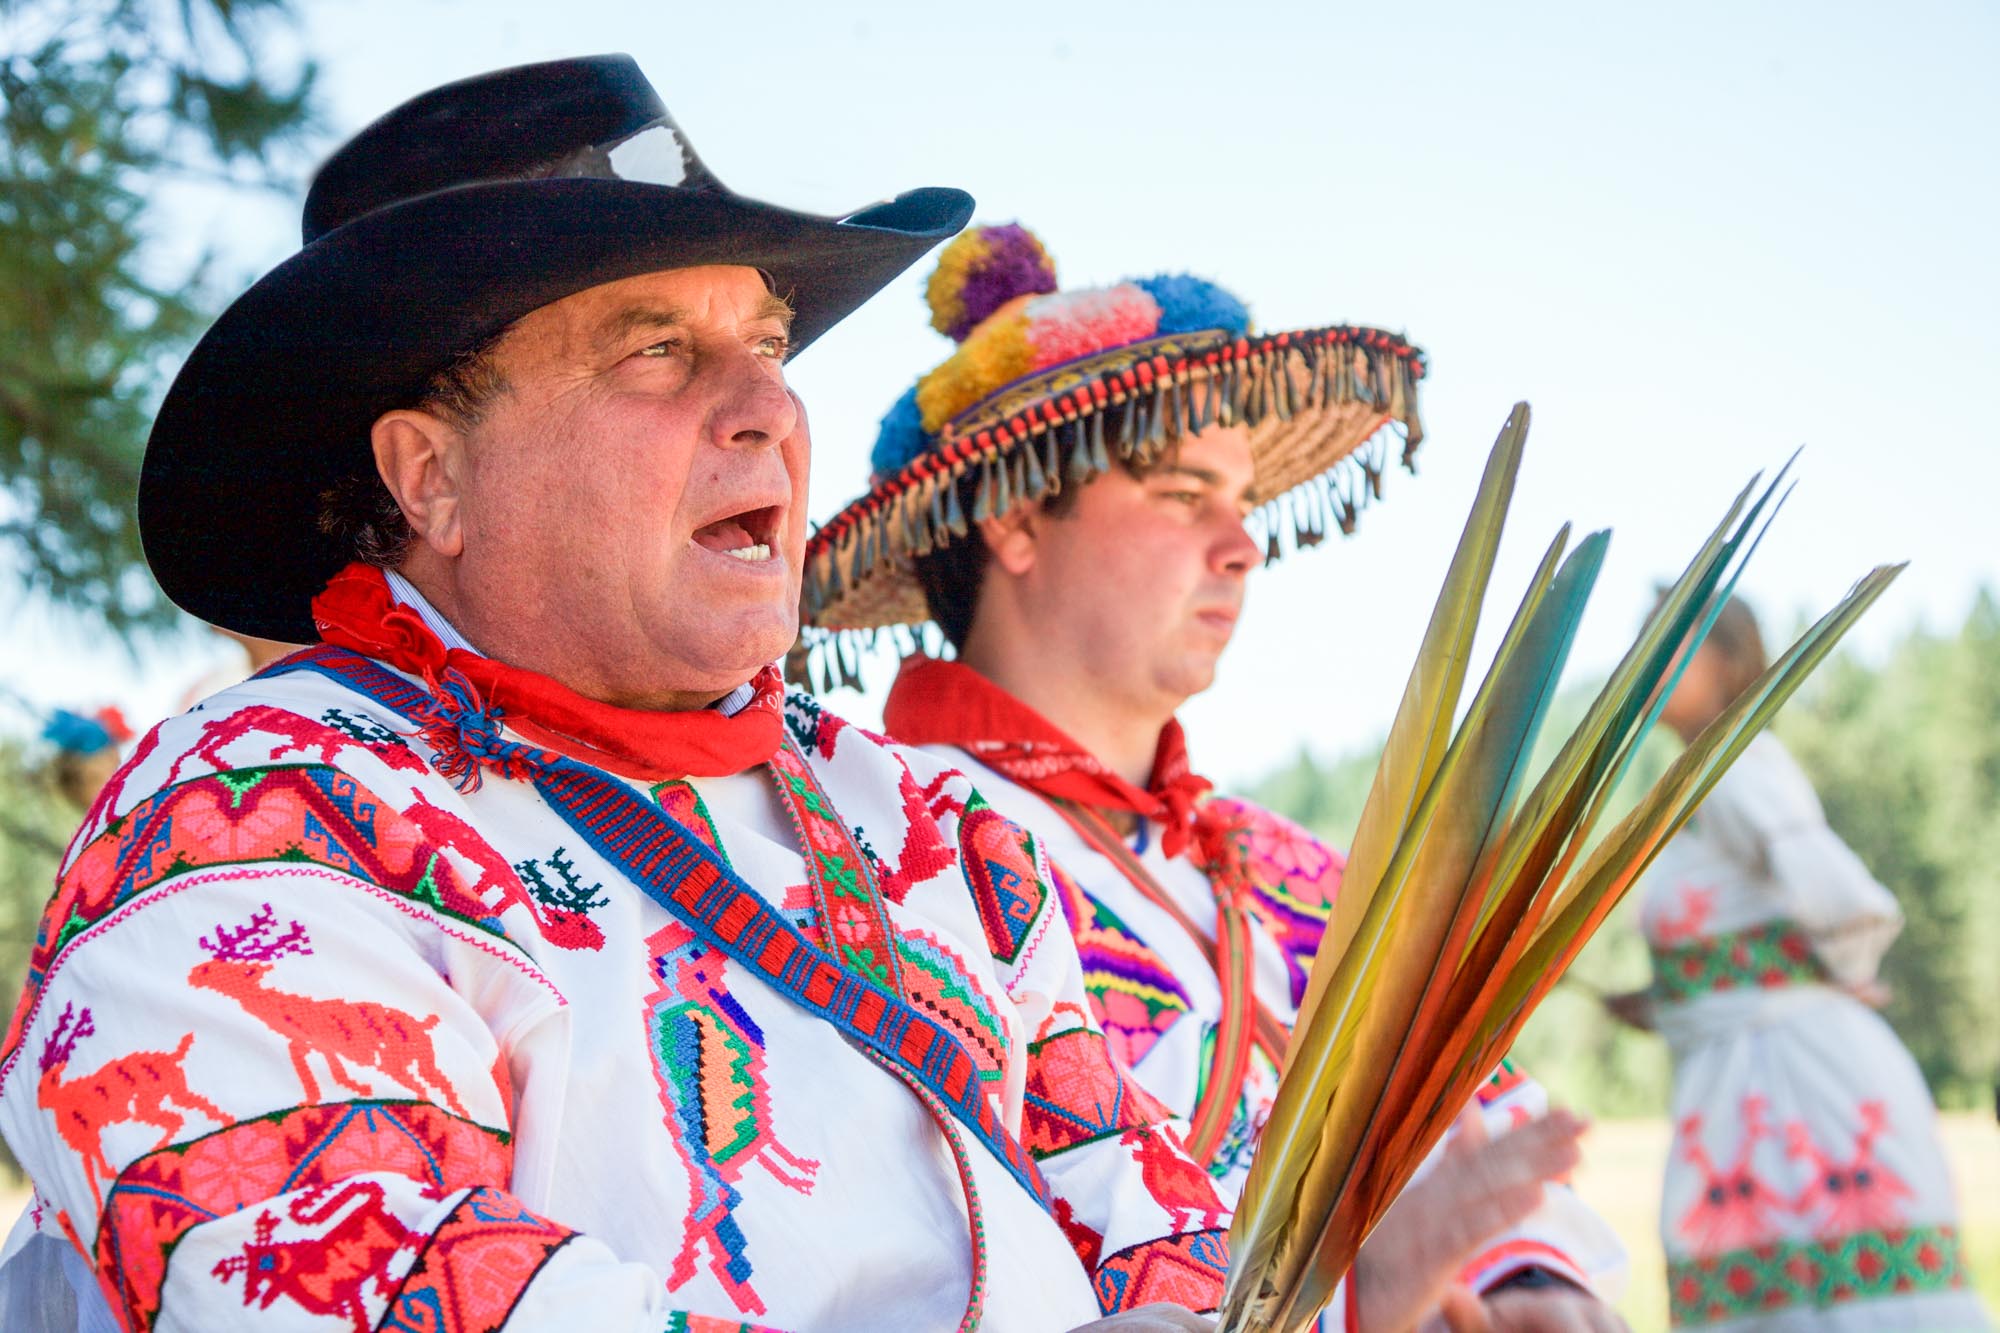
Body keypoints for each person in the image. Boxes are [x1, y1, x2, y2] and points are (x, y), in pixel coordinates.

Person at [0, 58, 1582, 1333]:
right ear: (432, 476)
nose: (768, 405)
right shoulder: (242, 819)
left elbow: (1158, 1216)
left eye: (765, 341)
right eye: (652, 352)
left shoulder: (935, 827)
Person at [803, 224, 1631, 1331]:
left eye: (1241, 505)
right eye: (1182, 491)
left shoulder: (1298, 869)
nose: (1241, 546)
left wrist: (1531, 1281)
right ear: (1013, 516)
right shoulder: (872, 856)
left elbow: (1487, 1129)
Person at [1604, 596, 1988, 1330]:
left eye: (1671, 645)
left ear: (1730, 658)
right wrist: (1662, 1002)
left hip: (1796, 1087)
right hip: (1747, 1081)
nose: (1648, 664)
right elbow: (1747, 945)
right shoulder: (1705, 780)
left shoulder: (1737, 767)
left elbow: (1846, 900)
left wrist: (1841, 978)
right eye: (1643, 643)